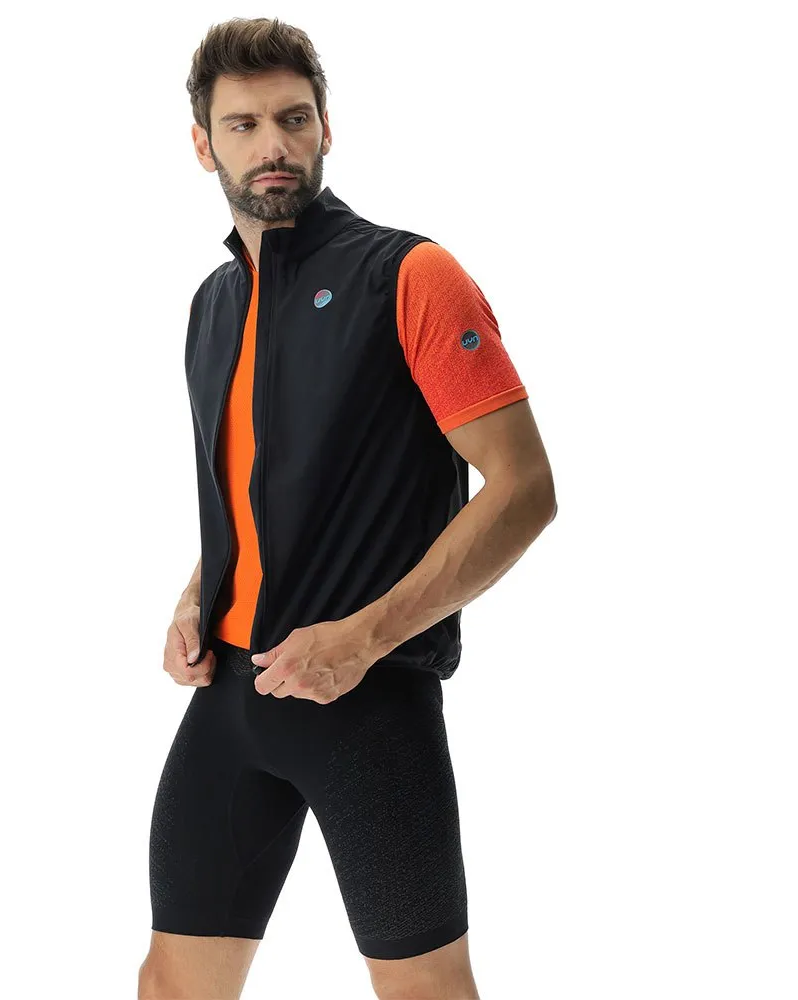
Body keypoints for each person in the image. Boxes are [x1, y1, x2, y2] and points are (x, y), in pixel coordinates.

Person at [139, 17, 557, 1000]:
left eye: (293, 119)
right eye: (243, 125)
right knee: (172, 983)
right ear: (202, 144)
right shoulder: (214, 305)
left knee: (425, 990)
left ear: (326, 127)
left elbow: (524, 488)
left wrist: (363, 639)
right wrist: (197, 596)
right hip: (229, 701)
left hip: (369, 710)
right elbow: (261, 489)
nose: (272, 145)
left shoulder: (408, 276)